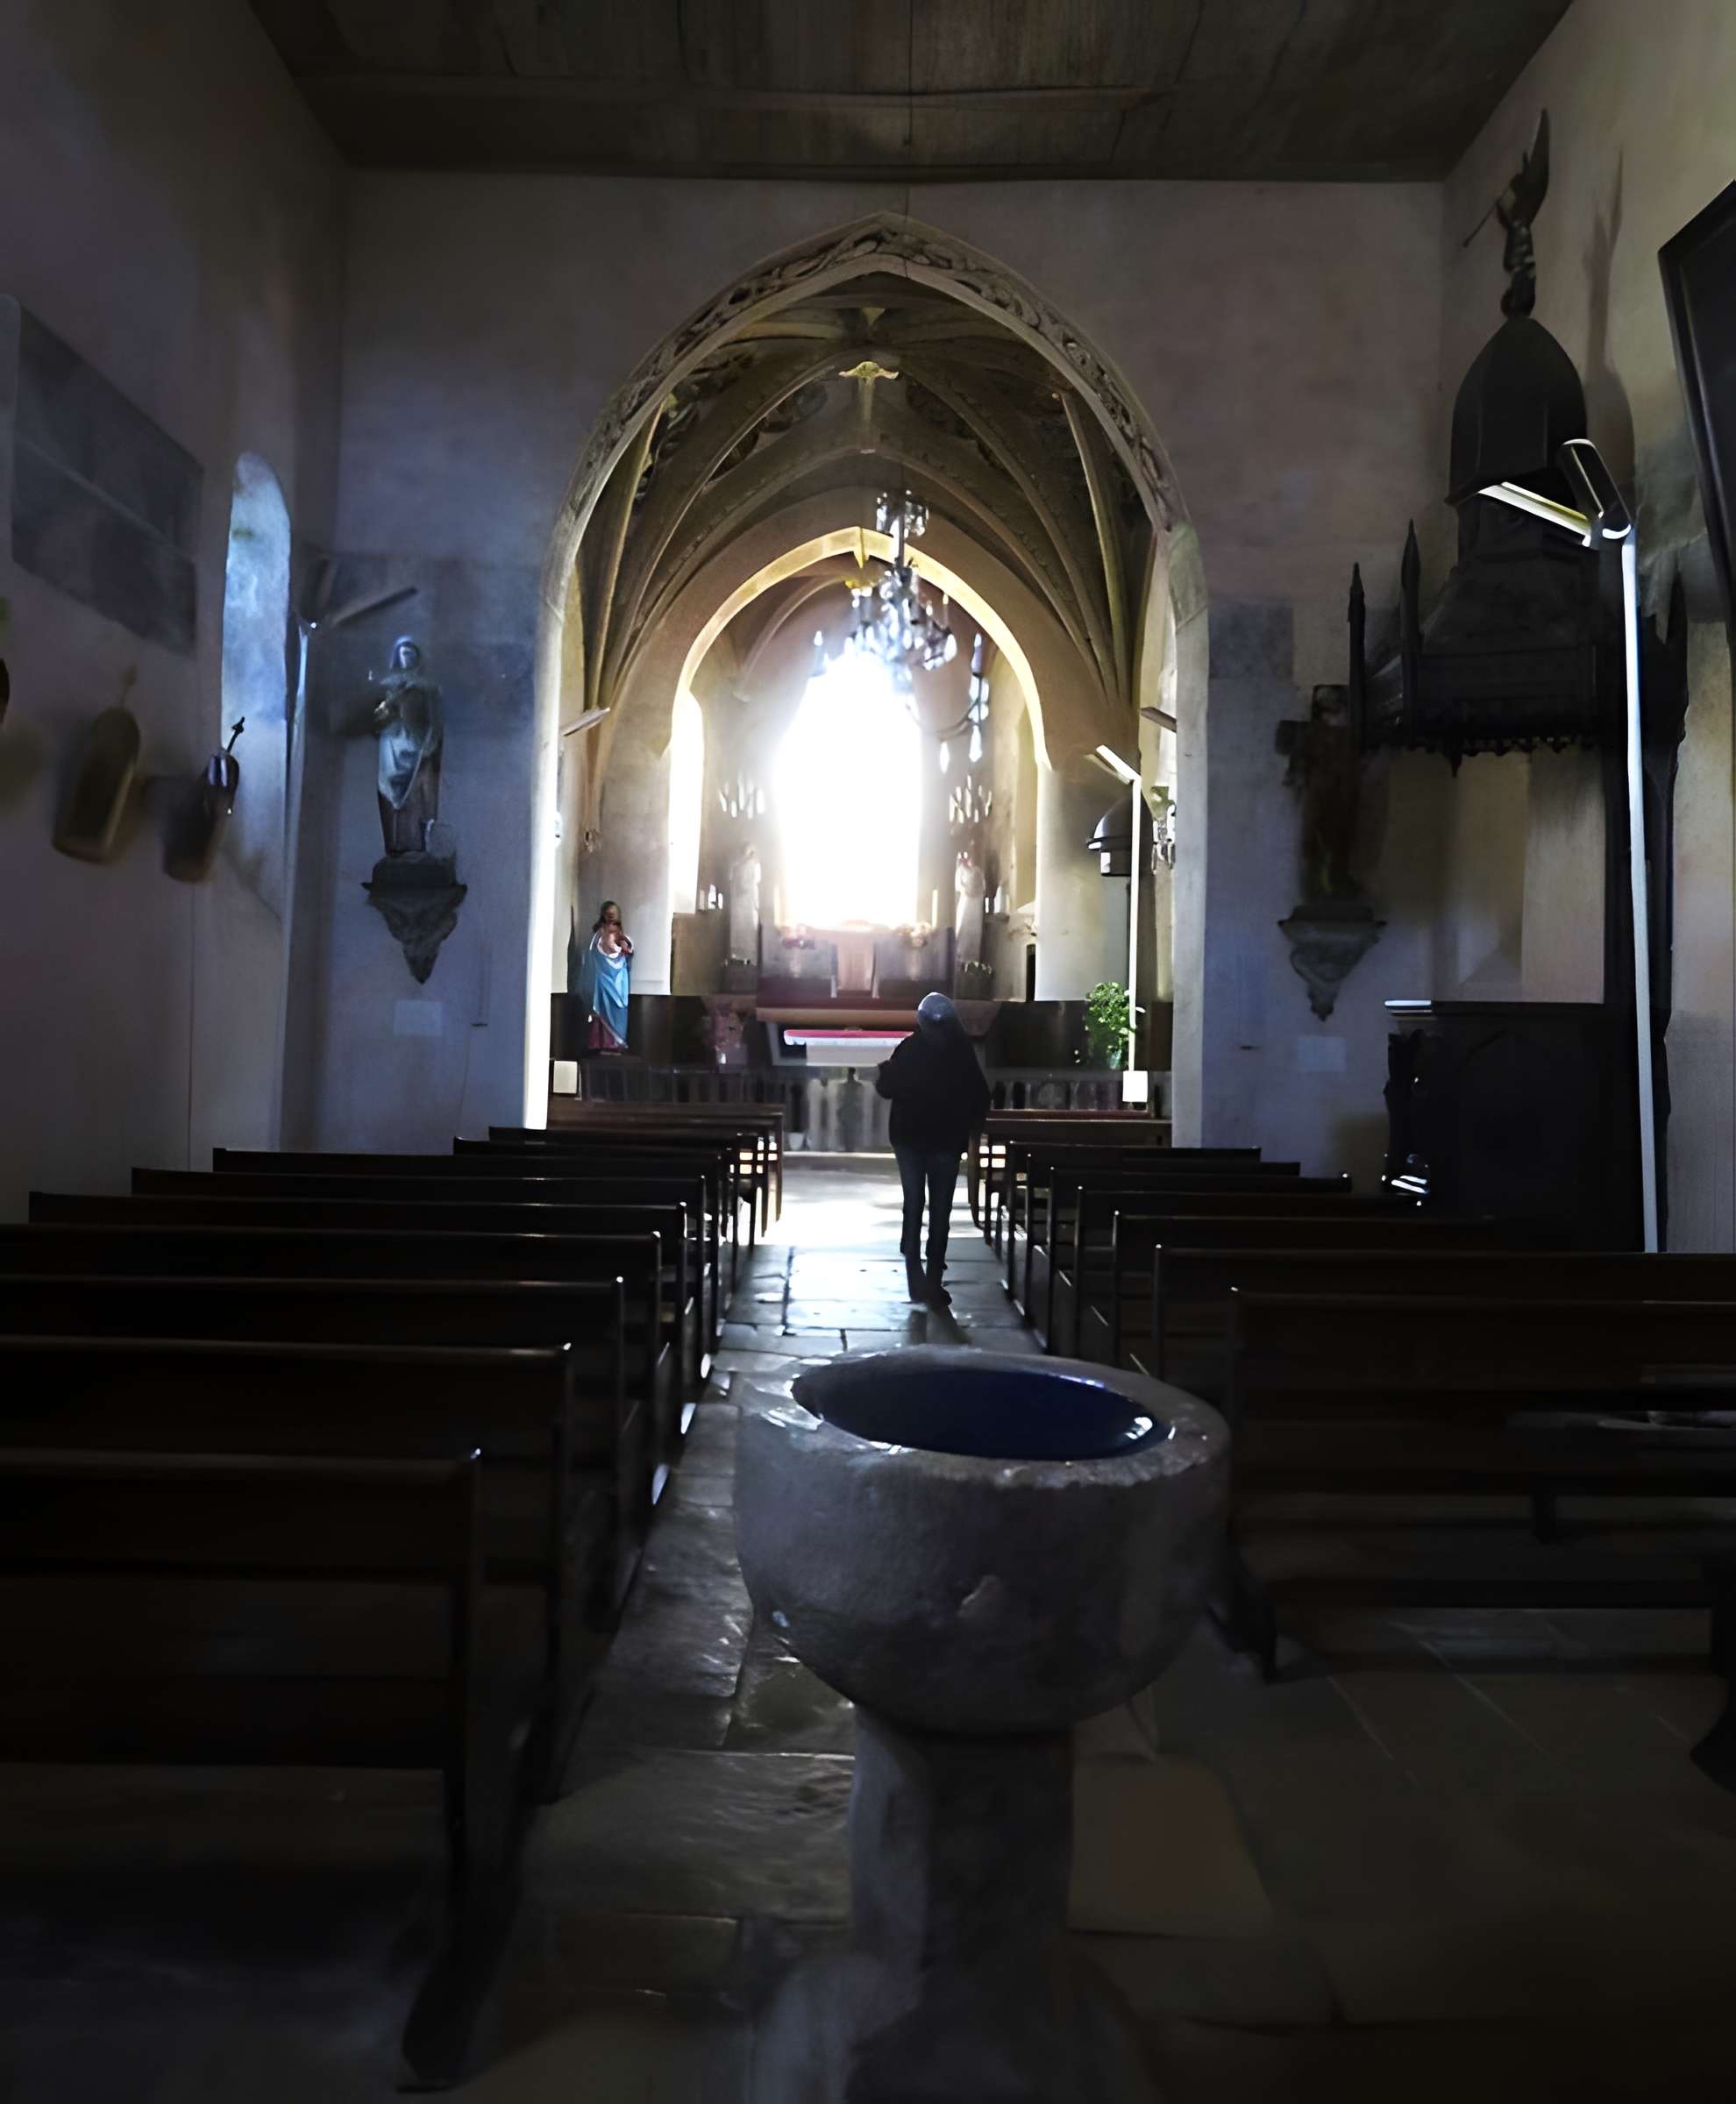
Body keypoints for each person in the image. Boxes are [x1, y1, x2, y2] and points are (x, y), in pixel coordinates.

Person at [875, 992, 991, 1306]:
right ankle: (933, 1274)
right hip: (945, 1141)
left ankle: (912, 1255)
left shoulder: (910, 1048)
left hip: (910, 1138)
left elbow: (887, 1089)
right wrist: (971, 1132)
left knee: (914, 1200)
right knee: (941, 1208)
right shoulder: (961, 1051)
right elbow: (981, 1096)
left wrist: (885, 1074)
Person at [576, 899, 633, 1053]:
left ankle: (615, 1043)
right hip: (602, 979)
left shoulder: (622, 935)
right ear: (603, 915)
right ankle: (600, 1043)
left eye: (613, 914)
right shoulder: (598, 935)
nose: (610, 917)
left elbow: (627, 953)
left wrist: (623, 949)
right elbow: (592, 954)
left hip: (618, 981)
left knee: (619, 1007)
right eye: (608, 914)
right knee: (600, 1011)